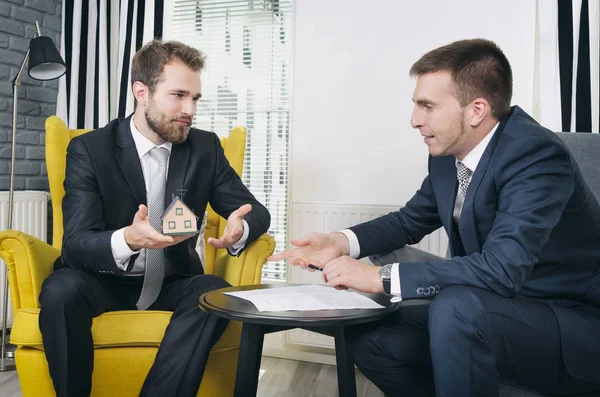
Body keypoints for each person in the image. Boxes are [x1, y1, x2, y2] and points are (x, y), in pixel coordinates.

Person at [270, 38, 600, 396]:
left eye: (427, 106)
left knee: (456, 307)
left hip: (569, 325)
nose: (414, 120)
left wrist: (379, 276)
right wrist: (340, 241)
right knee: (371, 335)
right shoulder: (448, 154)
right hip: (495, 312)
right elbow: (409, 221)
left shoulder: (535, 155)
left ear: (476, 110)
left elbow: (502, 270)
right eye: (415, 105)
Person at [38, 40, 271, 397]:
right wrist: (129, 239)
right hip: (104, 283)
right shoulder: (89, 149)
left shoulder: (204, 148)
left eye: (195, 99)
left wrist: (240, 229)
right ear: (141, 92)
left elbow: (254, 211)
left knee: (212, 292)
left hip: (172, 282)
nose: (189, 109)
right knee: (62, 289)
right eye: (179, 95)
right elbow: (76, 243)